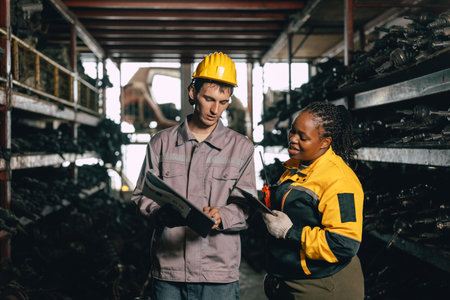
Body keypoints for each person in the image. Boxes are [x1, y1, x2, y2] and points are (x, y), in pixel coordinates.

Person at [131, 52, 257, 300]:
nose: (215, 109)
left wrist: (223, 214)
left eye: (223, 102)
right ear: (192, 92)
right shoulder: (162, 143)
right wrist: (158, 212)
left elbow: (246, 206)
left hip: (218, 274)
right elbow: (140, 196)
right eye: (208, 99)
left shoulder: (241, 148)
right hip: (169, 271)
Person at [262, 102, 364, 300]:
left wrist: (289, 232)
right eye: (292, 131)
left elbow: (344, 244)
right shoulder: (298, 167)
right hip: (290, 278)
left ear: (325, 142)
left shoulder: (339, 180)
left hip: (323, 285)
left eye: (303, 137)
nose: (292, 139)